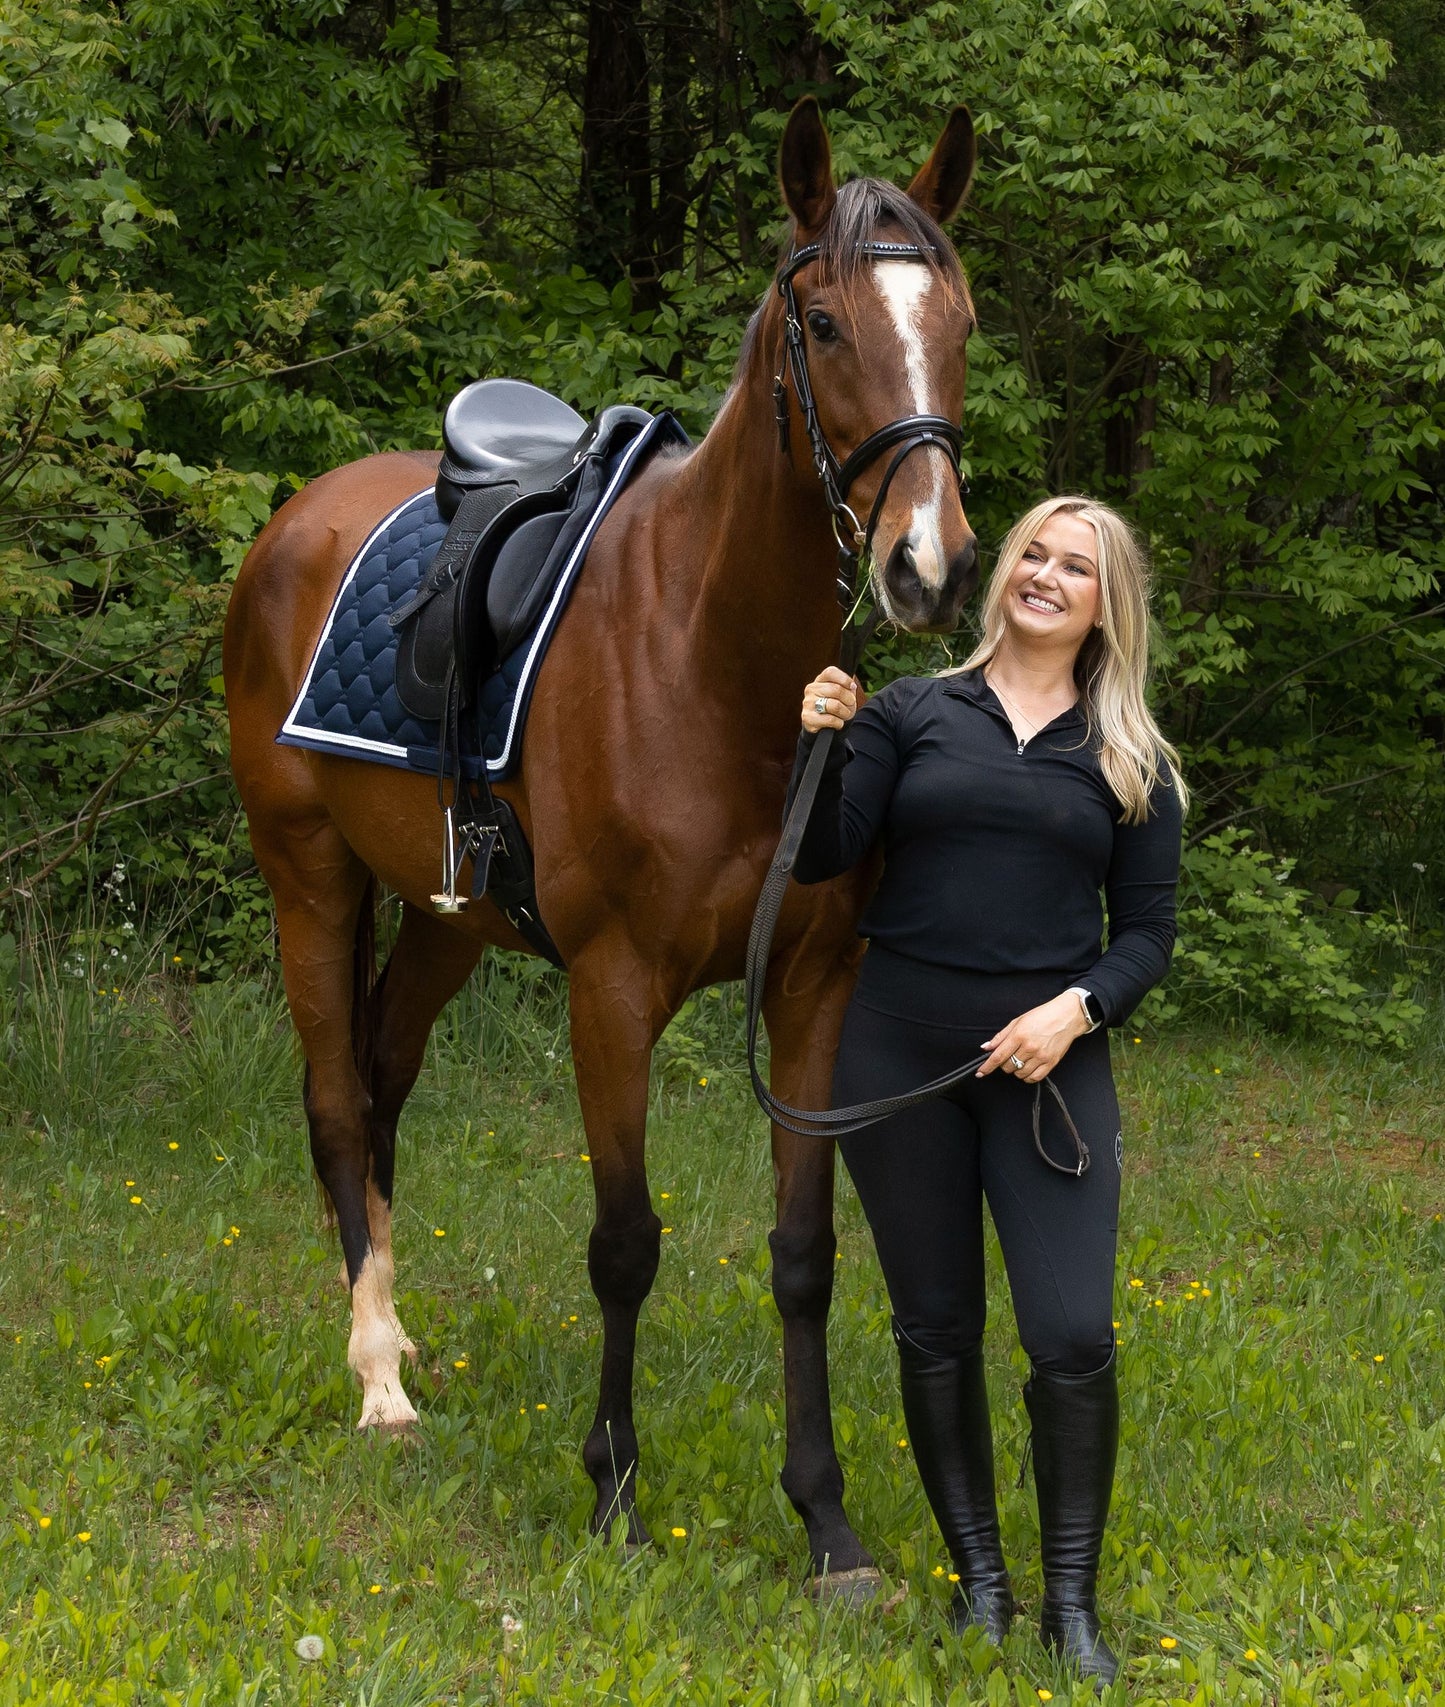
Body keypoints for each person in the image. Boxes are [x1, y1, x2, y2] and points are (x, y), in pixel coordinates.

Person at [793, 495, 1186, 1685]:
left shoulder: (1128, 757)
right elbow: (818, 857)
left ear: (1105, 602)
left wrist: (1074, 1012)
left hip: (1048, 1067)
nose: (1047, 577)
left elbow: (1150, 935)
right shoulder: (913, 713)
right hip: (899, 1056)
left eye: (1077, 567)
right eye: (1032, 555)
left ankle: (1071, 1604)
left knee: (1068, 1333)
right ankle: (982, 1589)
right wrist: (818, 744)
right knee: (934, 1327)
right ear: (1000, 570)